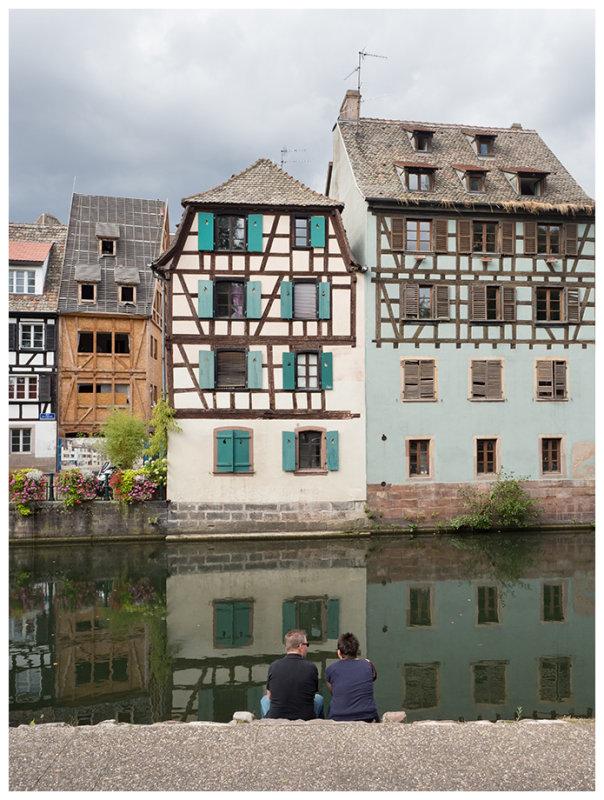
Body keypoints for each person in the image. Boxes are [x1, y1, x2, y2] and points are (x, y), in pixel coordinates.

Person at [261, 630, 324, 720]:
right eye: (307, 645)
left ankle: (266, 725)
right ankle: (320, 726)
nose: (307, 648)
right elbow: (312, 696)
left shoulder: (274, 666)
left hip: (276, 717)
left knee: (264, 700)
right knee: (319, 699)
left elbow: (269, 696)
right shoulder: (311, 667)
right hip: (305, 717)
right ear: (300, 646)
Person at [325, 632, 379, 722]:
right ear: (357, 650)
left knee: (331, 705)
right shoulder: (368, 665)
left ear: (339, 652)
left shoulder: (330, 669)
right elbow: (373, 677)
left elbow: (334, 692)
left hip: (338, 717)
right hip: (367, 716)